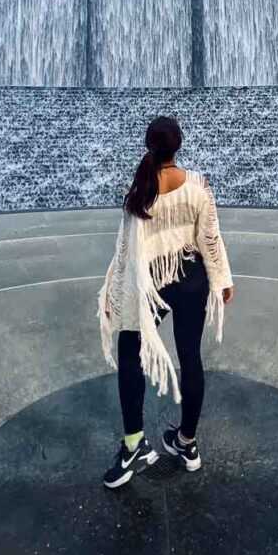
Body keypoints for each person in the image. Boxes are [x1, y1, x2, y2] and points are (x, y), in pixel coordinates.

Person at [97, 115, 234, 488]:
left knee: (129, 352)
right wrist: (222, 281)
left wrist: (111, 295)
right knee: (190, 358)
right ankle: (186, 443)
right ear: (178, 146)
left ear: (148, 147)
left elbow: (126, 253)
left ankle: (134, 445)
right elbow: (210, 239)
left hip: (152, 285)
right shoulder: (198, 187)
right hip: (191, 279)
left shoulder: (139, 192)